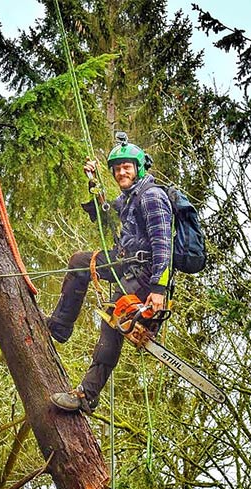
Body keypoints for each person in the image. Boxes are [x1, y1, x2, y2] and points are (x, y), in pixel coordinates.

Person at [48, 133, 173, 414]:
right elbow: (105, 217)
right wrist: (93, 182)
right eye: (117, 169)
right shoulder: (127, 200)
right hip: (123, 262)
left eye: (126, 167)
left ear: (139, 168)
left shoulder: (152, 197)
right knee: (80, 262)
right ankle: (60, 325)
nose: (121, 173)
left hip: (143, 274)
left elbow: (164, 243)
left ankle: (86, 394)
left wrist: (159, 290)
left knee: (112, 325)